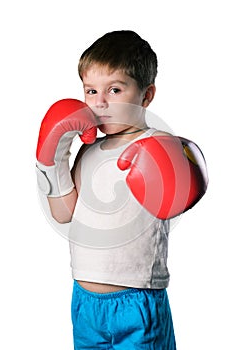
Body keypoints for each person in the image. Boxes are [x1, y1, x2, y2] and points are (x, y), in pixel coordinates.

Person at [36, 30, 208, 349]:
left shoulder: (158, 145)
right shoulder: (88, 150)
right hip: (85, 302)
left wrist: (174, 168)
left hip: (138, 301)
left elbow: (180, 194)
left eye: (115, 89)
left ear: (146, 95)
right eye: (91, 90)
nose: (100, 102)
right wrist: (52, 158)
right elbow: (63, 213)